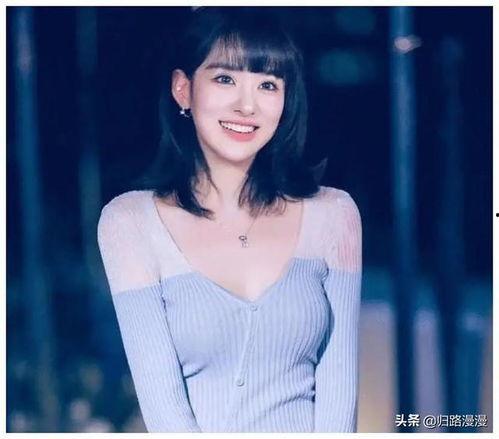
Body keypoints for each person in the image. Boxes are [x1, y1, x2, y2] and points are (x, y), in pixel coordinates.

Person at [97, 7, 362, 433]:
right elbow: (164, 411)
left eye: (268, 84)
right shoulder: (131, 223)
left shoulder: (333, 215)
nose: (247, 105)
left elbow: (339, 396)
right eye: (225, 79)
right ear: (183, 89)